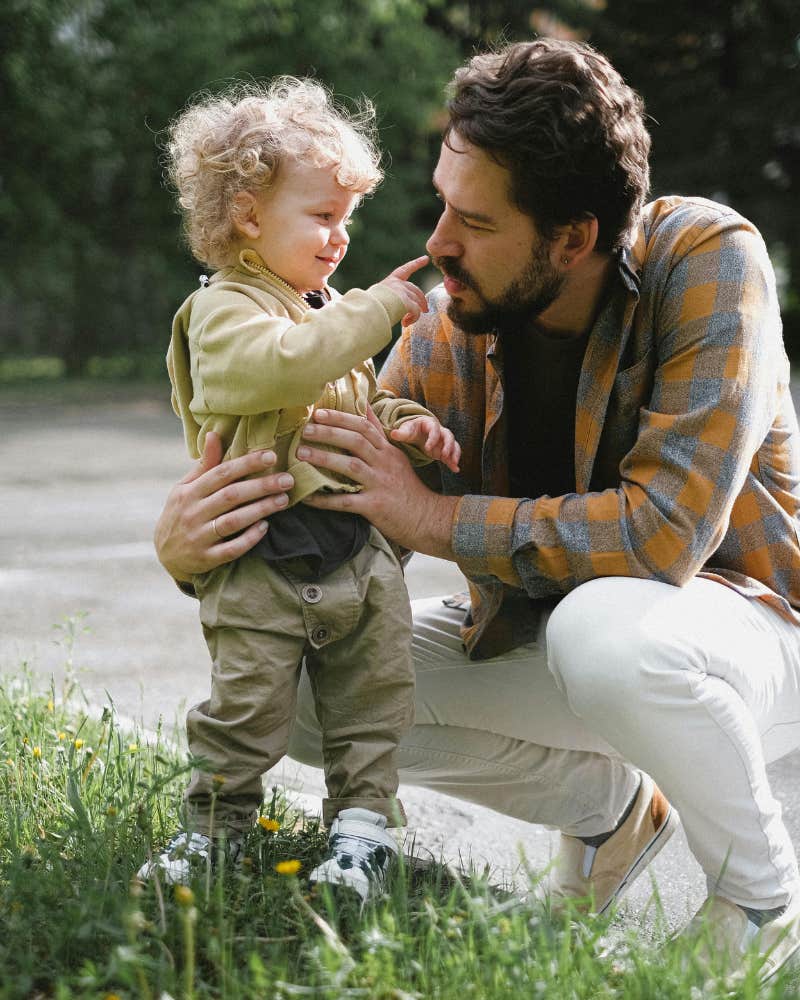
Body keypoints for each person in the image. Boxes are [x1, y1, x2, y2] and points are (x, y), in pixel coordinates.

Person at [154, 40, 800, 980]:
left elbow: (663, 536)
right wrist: (189, 546)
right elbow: (350, 512)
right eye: (442, 203)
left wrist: (431, 520)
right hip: (547, 637)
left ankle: (759, 898)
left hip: (744, 634)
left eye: (475, 220)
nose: (438, 241)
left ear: (572, 237)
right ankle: (612, 813)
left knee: (605, 633)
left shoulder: (705, 258)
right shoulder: (452, 317)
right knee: (302, 691)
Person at [139, 77, 461, 902]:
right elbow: (276, 369)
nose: (340, 238)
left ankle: (360, 836)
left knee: (373, 705)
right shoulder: (226, 311)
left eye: (346, 219)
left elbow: (345, 388)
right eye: (323, 216)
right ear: (248, 216)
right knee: (244, 711)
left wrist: (404, 420)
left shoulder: (315, 312)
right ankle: (214, 829)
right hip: (261, 562)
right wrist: (381, 307)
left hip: (353, 559)